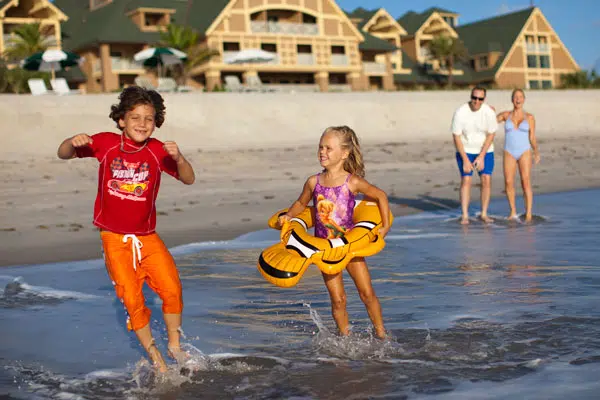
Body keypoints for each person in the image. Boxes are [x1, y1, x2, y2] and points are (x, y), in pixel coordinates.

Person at [57, 86, 195, 373]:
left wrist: (180, 158)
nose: (142, 124)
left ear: (156, 122)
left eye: (149, 118)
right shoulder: (106, 143)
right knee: (132, 298)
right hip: (114, 239)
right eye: (135, 117)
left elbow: (188, 179)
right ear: (121, 120)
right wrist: (72, 141)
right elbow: (63, 154)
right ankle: (154, 354)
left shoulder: (157, 151)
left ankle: (174, 345)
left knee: (172, 288)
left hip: (147, 237)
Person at [278, 126, 391, 339]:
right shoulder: (314, 182)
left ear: (344, 153)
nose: (322, 152)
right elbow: (301, 204)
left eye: (329, 148)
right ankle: (345, 338)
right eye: (321, 147)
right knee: (338, 299)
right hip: (326, 251)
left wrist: (385, 227)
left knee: (366, 293)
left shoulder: (352, 182)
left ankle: (381, 334)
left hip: (351, 248)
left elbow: (381, 196)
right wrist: (289, 216)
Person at [451, 86, 499, 224]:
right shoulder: (461, 112)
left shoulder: (488, 112)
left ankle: (484, 213)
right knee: (466, 180)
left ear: (484, 99)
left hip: (485, 150)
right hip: (465, 150)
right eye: (474, 98)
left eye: (480, 99)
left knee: (486, 179)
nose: (476, 101)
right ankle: (465, 215)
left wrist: (482, 156)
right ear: (471, 97)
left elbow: (491, 134)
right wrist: (466, 160)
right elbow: (456, 137)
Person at [496, 89, 539, 222]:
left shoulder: (529, 117)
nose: (518, 99)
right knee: (508, 182)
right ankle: (513, 211)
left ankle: (528, 213)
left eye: (520, 97)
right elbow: (490, 122)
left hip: (524, 151)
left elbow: (532, 137)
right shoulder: (505, 115)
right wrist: (488, 110)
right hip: (509, 151)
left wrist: (536, 151)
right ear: (512, 100)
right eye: (515, 97)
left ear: (524, 99)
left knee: (525, 181)